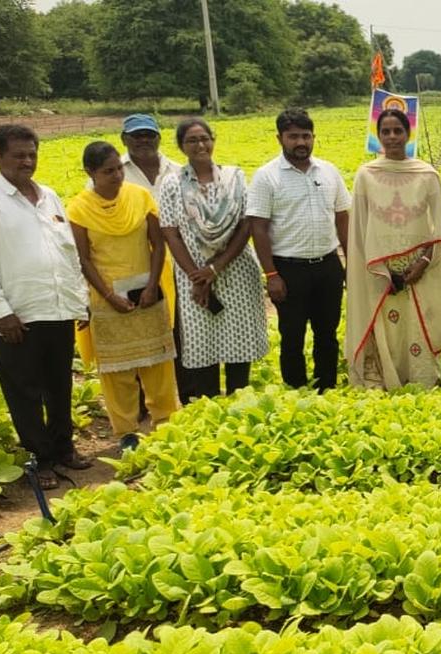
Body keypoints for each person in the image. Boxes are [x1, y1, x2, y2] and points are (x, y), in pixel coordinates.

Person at [0, 125, 92, 489]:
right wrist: (1, 311)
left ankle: (64, 448)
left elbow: (67, 252)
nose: (27, 161)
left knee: (59, 384)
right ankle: (41, 459)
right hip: (17, 315)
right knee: (25, 392)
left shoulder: (48, 195)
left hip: (58, 307)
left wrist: (78, 299)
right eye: (18, 155)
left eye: (32, 154)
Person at [67, 141, 179, 452]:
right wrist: (108, 294)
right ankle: (127, 431)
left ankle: (166, 422)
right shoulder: (79, 208)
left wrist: (152, 285)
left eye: (118, 168)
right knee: (117, 371)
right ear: (90, 172)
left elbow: (158, 244)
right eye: (108, 171)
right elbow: (84, 259)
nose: (117, 176)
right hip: (108, 299)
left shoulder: (140, 197)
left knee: (159, 362)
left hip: (148, 292)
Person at [158, 118, 269, 399]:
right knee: (201, 343)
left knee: (239, 343)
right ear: (182, 146)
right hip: (192, 276)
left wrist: (215, 269)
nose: (200, 145)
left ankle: (238, 402)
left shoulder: (235, 177)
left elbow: (246, 224)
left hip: (236, 271)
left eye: (204, 138)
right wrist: (198, 275)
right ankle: (207, 407)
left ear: (213, 140)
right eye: (192, 140)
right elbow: (171, 234)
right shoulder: (171, 184)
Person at [346, 109, 441, 389]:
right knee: (385, 329)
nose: (392, 137)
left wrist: (422, 263)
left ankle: (419, 380)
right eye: (386, 131)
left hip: (418, 270)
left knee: (415, 327)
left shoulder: (427, 175)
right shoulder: (366, 175)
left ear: (408, 134)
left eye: (398, 131)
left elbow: (439, 228)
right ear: (378, 135)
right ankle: (381, 380)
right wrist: (381, 269)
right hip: (378, 271)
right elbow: (358, 228)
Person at [248, 108, 351, 392]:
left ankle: (326, 387)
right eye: (293, 136)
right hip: (288, 268)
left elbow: (342, 216)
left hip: (328, 265)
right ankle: (296, 389)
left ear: (314, 137)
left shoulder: (328, 171)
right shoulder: (267, 176)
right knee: (292, 334)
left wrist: (350, 263)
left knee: (327, 333)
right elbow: (258, 227)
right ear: (280, 138)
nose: (300, 142)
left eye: (306, 136)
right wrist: (271, 273)